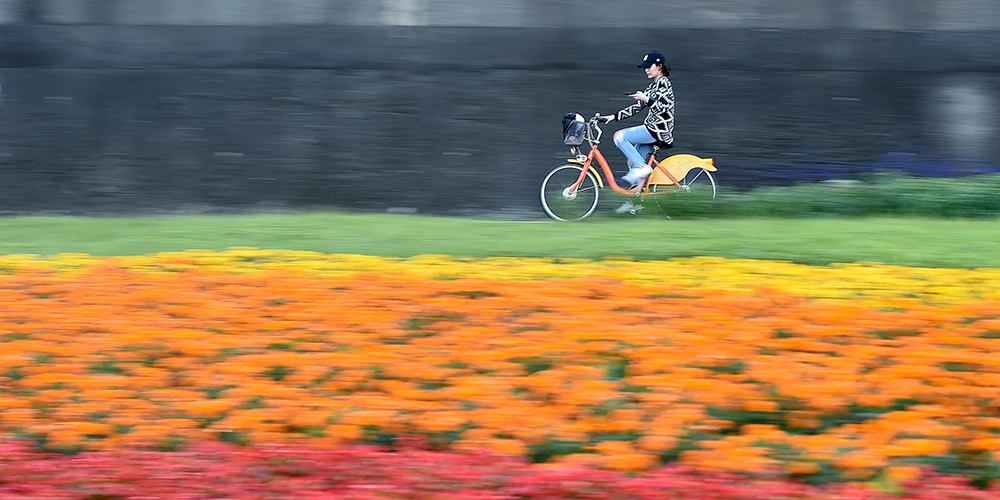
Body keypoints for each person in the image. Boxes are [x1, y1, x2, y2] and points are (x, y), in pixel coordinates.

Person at [599, 51, 674, 212]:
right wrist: (613, 117)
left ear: (659, 67)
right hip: (653, 129)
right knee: (631, 162)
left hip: (658, 130)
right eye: (644, 67)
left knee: (620, 136)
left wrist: (646, 99)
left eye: (649, 67)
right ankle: (635, 201)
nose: (646, 70)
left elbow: (664, 107)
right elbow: (637, 108)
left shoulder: (664, 83)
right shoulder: (653, 86)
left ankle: (642, 167)